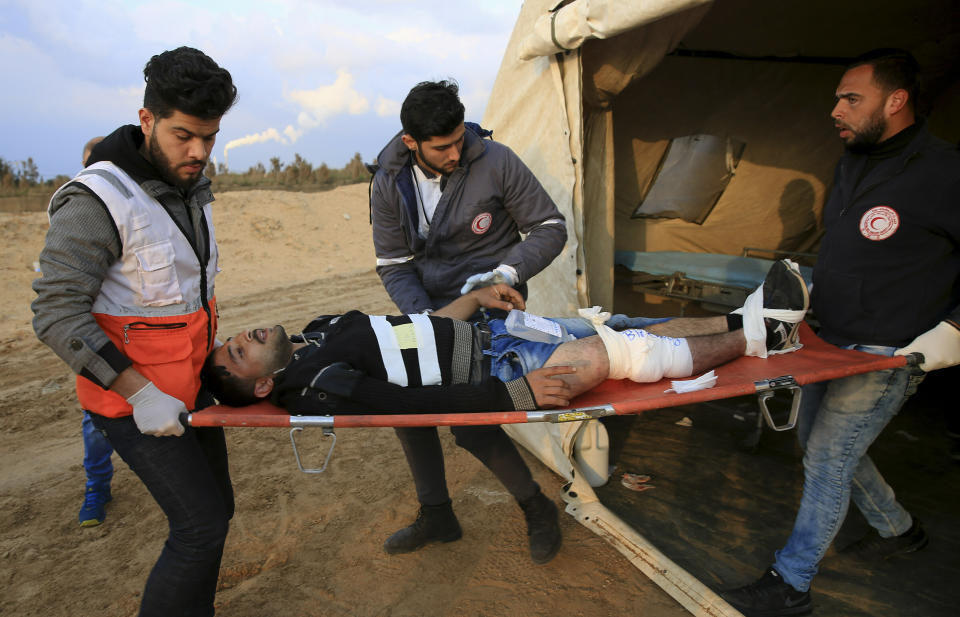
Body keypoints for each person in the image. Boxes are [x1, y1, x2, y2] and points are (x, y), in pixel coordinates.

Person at [202, 261, 809, 564]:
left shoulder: (314, 335)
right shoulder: (313, 381)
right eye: (239, 352)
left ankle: (743, 319)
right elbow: (410, 407)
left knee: (621, 327)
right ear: (259, 388)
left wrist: (472, 298)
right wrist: (509, 399)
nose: (245, 336)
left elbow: (417, 333)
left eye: (236, 337)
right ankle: (762, 338)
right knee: (611, 353)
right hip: (499, 374)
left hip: (497, 332)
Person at [722, 49, 960, 617]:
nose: (836, 109)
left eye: (851, 98)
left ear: (896, 100)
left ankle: (791, 583)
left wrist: (954, 327)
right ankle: (897, 528)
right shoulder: (853, 159)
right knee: (819, 445)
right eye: (837, 98)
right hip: (828, 337)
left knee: (829, 459)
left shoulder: (946, 172)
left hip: (889, 351)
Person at [32, 47, 237, 616]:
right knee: (198, 528)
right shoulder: (98, 198)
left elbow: (177, 299)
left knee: (218, 514)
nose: (199, 152)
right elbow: (55, 314)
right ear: (146, 120)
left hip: (189, 389)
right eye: (184, 136)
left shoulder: (190, 185)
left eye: (211, 136)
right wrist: (141, 395)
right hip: (133, 403)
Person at [369, 79, 568, 561]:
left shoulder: (496, 160)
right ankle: (437, 514)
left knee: (472, 418)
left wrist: (506, 272)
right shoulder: (386, 180)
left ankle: (537, 508)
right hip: (434, 308)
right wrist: (427, 321)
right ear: (410, 142)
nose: (457, 152)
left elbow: (550, 227)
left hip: (497, 303)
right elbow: (394, 264)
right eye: (443, 147)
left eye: (460, 139)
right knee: (404, 402)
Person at [72, 135, 117, 528]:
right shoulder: (78, 212)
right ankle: (97, 487)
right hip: (100, 341)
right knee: (96, 424)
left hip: (148, 338)